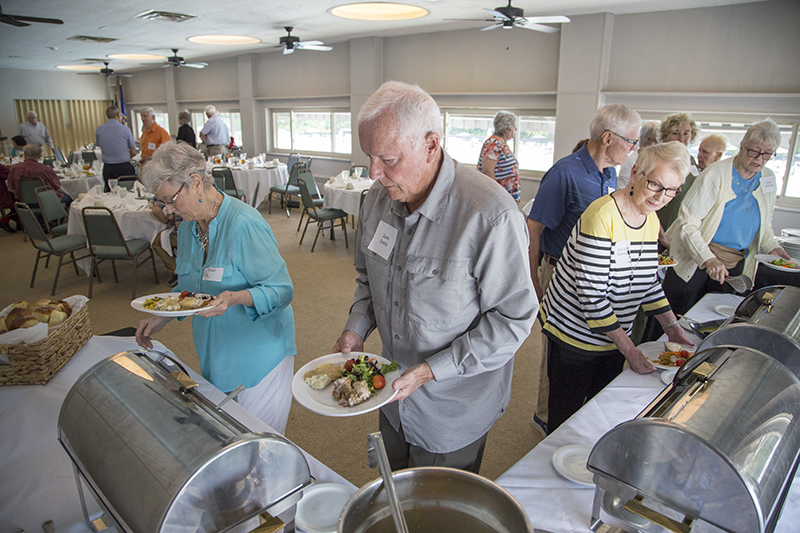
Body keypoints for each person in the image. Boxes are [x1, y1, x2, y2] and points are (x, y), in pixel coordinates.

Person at [333, 81, 537, 473]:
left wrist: (431, 370)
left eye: (388, 159)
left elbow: (514, 320)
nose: (374, 173)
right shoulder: (377, 199)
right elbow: (367, 278)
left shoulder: (489, 216)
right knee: (392, 493)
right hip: (392, 397)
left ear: (431, 145)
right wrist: (357, 328)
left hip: (451, 409)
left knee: (438, 511)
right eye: (369, 157)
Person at [134, 141, 297, 433]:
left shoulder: (244, 224)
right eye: (163, 203)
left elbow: (281, 290)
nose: (169, 210)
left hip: (261, 357)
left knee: (262, 447)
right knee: (229, 438)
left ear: (195, 183)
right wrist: (161, 317)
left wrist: (235, 298)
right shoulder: (187, 227)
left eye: (171, 200)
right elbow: (188, 289)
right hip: (217, 358)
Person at [540, 142, 695, 433]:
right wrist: (630, 350)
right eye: (655, 184)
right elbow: (592, 296)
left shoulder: (650, 218)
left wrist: (672, 326)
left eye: (672, 190)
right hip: (575, 330)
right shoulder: (602, 217)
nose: (662, 197)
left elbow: (647, 279)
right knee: (566, 415)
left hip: (613, 332)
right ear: (636, 173)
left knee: (601, 406)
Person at [527, 103, 641, 435]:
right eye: (631, 141)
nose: (634, 149)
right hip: (558, 271)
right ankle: (546, 420)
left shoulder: (609, 173)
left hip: (593, 274)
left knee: (585, 351)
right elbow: (533, 229)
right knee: (559, 350)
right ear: (608, 138)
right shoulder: (565, 173)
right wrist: (533, 282)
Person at [663, 119, 789, 316]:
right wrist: (708, 259)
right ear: (742, 146)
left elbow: (765, 222)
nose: (759, 159)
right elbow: (688, 223)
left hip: (734, 264)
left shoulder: (768, 177)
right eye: (754, 151)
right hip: (696, 260)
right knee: (679, 319)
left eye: (767, 154)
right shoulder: (715, 174)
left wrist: (772, 246)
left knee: (716, 321)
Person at [655, 113, 701, 235]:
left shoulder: (690, 160)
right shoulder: (657, 158)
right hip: (660, 230)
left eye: (686, 133)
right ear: (665, 136)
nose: (681, 138)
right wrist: (661, 235)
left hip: (681, 230)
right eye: (675, 133)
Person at [7, 144, 71, 207]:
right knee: (70, 198)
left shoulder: (14, 168)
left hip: (24, 203)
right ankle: (60, 216)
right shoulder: (46, 169)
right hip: (47, 202)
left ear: (25, 154)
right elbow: (56, 186)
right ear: (40, 156)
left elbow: (11, 187)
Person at [477, 111, 521, 203]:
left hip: (506, 199)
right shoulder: (493, 143)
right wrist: (498, 196)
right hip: (498, 200)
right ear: (506, 129)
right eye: (514, 126)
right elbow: (488, 171)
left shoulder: (501, 143)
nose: (516, 129)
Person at [95, 105, 137, 192]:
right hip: (124, 168)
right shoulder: (125, 129)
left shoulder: (99, 129)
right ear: (118, 114)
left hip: (108, 168)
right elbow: (133, 152)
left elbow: (99, 146)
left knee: (111, 193)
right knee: (128, 193)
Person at [617, 120, 660, 189]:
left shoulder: (658, 160)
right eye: (651, 139)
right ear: (644, 138)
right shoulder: (631, 160)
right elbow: (621, 186)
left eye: (657, 141)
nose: (654, 144)